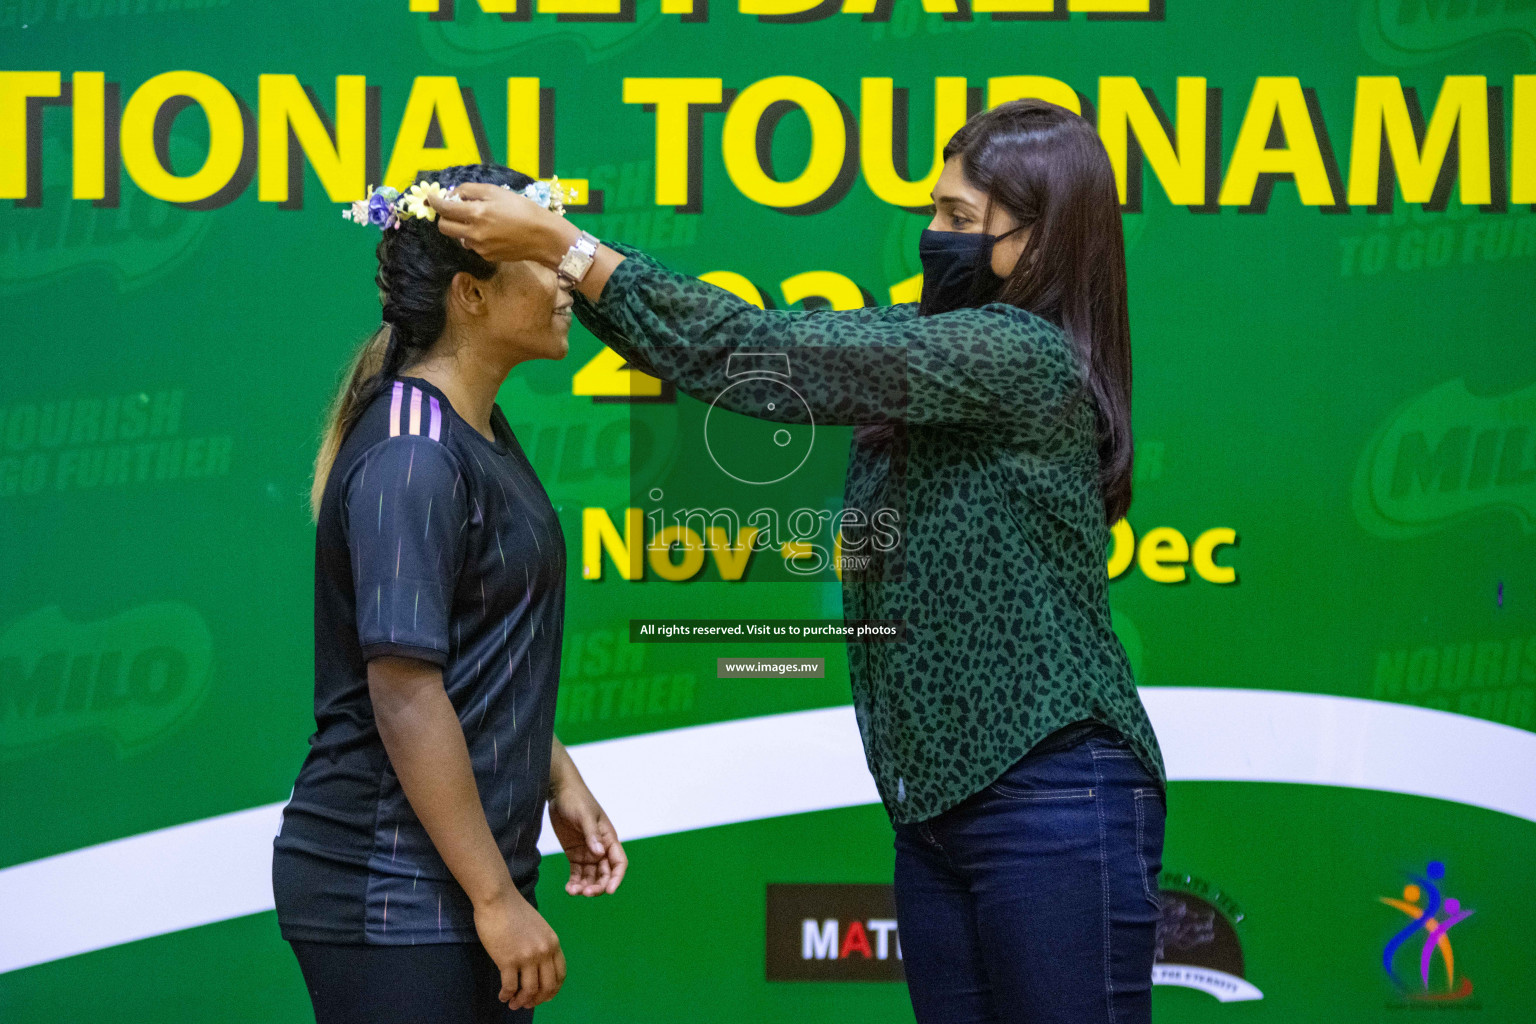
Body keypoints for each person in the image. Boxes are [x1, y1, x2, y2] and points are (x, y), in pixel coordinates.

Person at [430, 100, 1166, 1024]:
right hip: (937, 814)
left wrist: (567, 247)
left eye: (961, 220)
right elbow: (720, 362)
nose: (932, 235)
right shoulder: (944, 342)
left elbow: (758, 351)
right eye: (934, 209)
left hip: (1050, 795)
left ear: (1044, 241)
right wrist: (563, 264)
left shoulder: (1018, 353)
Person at [272, 163, 627, 1024]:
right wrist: (497, 901)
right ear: (471, 295)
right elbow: (403, 693)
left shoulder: (477, 428)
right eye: (539, 261)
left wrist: (555, 773)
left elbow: (474, 644)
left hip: (457, 882)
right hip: (388, 891)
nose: (564, 281)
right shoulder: (413, 452)